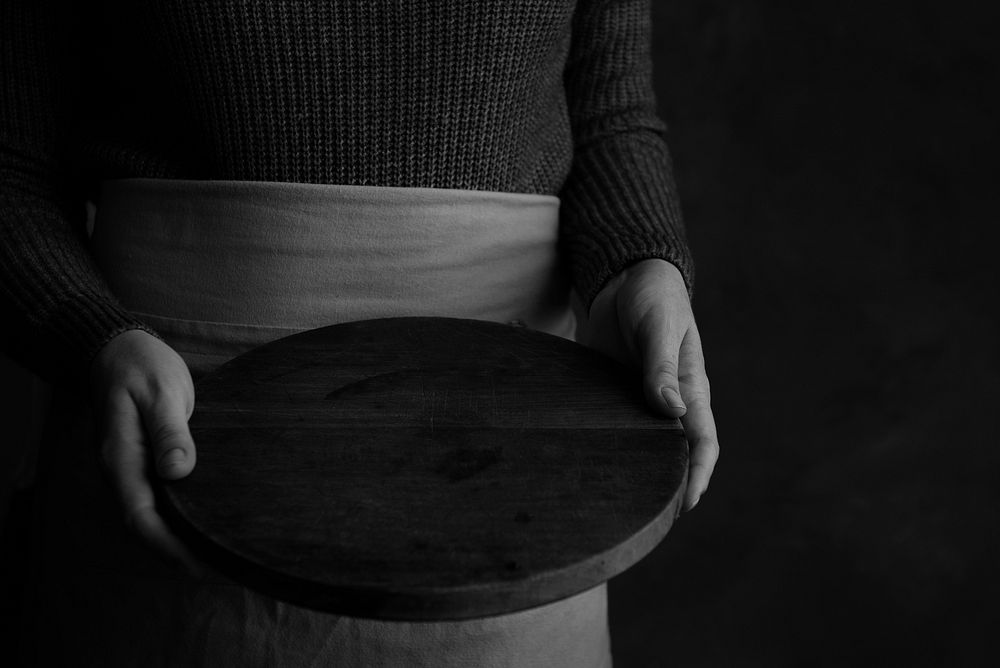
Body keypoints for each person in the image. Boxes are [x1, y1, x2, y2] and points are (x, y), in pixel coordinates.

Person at [1, 1, 719, 665]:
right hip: (169, 435)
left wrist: (639, 265)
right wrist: (93, 337)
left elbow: (608, 116)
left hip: (512, 476)